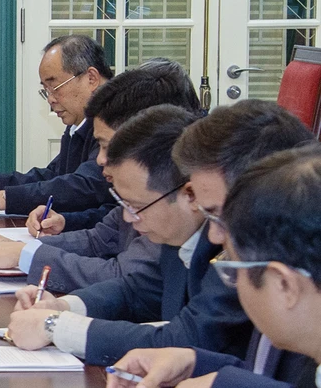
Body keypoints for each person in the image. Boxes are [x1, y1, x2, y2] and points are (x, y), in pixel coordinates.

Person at [6, 106, 253, 366]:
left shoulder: (233, 249)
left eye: (136, 206)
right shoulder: (180, 233)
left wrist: (55, 327)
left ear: (189, 196)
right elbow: (136, 291)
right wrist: (62, 308)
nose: (127, 218)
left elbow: (183, 339)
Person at [105, 102, 319, 388]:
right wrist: (193, 362)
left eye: (218, 214)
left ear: (284, 285)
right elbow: (268, 375)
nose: (215, 236)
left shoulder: (264, 255)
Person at [0, 62, 200, 291]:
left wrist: (26, 254)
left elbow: (125, 277)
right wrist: (23, 248)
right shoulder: (146, 184)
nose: (100, 160)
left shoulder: (176, 191)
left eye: (108, 146)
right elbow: (100, 238)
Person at [0, 34, 113, 215]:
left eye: (54, 86)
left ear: (91, 78)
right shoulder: (80, 123)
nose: (50, 99)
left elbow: (85, 186)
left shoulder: (116, 120)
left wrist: (3, 198)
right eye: (45, 90)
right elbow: (52, 176)